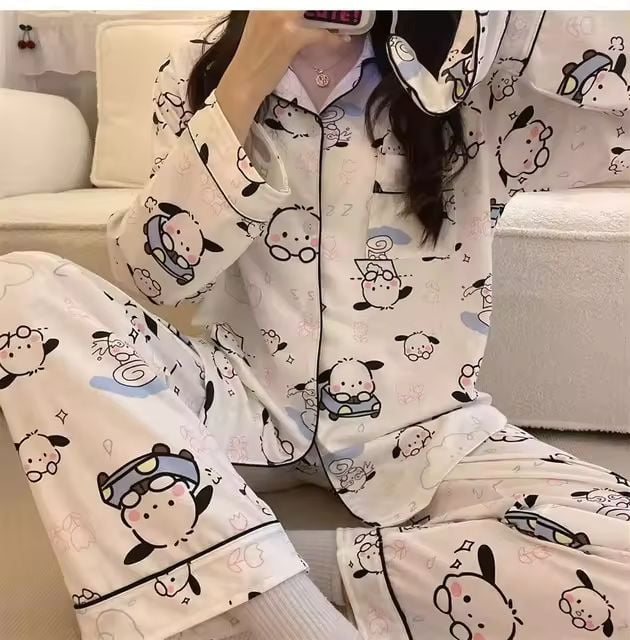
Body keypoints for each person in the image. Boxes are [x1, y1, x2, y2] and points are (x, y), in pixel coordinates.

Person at [1, 9, 629, 640]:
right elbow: (153, 278)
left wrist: (490, 20)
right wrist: (246, 79)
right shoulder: (196, 69)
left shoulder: (470, 73)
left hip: (425, 429)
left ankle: (254, 580)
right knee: (19, 285)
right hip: (239, 406)